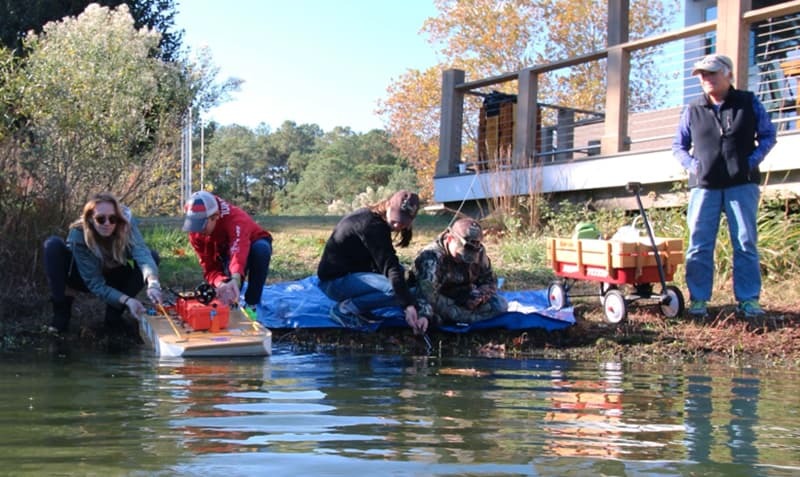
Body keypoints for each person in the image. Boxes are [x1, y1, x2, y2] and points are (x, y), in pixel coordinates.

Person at [672, 53, 777, 318]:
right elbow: (678, 146)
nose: (706, 79)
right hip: (704, 186)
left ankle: (748, 300)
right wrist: (693, 166)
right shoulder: (692, 109)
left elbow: (768, 135)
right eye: (702, 75)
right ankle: (698, 300)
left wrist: (750, 162)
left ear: (727, 74)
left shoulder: (748, 103)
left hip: (741, 184)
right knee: (699, 244)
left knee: (744, 242)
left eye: (711, 73)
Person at [43, 192, 163, 335]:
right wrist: (128, 300)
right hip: (83, 276)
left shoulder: (126, 225)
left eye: (112, 219)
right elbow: (95, 283)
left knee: (152, 256)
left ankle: (113, 317)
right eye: (101, 219)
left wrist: (153, 284)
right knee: (52, 245)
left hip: (113, 273)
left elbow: (142, 254)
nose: (107, 224)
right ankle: (61, 313)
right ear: (91, 219)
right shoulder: (78, 234)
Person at [316, 190, 428, 334]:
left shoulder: (377, 219)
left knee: (404, 284)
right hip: (334, 282)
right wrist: (408, 306)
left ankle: (360, 307)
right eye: (395, 219)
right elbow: (390, 267)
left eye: (402, 222)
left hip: (353, 273)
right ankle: (345, 309)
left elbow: (387, 262)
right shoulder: (372, 225)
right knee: (395, 290)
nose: (397, 225)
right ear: (388, 205)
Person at [182, 191, 273, 316]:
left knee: (261, 250)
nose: (198, 231)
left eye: (202, 226)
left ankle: (251, 304)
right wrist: (221, 283)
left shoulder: (236, 219)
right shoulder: (196, 234)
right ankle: (231, 305)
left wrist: (235, 279)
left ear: (215, 216)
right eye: (194, 225)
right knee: (227, 290)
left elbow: (238, 251)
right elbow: (209, 268)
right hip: (225, 251)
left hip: (252, 243)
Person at [412, 218, 507, 325]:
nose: (465, 260)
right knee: (431, 305)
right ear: (449, 239)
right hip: (439, 297)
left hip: (463, 296)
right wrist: (424, 316)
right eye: (461, 254)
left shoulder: (479, 252)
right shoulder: (431, 256)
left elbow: (490, 281)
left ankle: (451, 319)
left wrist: (479, 296)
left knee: (499, 304)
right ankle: (452, 318)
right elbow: (426, 294)